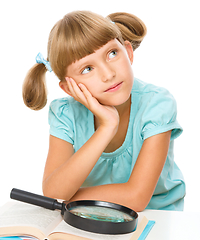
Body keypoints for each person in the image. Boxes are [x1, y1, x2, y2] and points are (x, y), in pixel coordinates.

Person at [22, 11, 186, 211]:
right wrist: (107, 127)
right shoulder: (65, 113)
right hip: (95, 215)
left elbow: (137, 197)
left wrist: (68, 198)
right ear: (68, 88)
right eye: (87, 69)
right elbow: (54, 191)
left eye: (112, 54)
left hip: (158, 217)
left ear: (128, 51)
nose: (108, 74)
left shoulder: (156, 104)